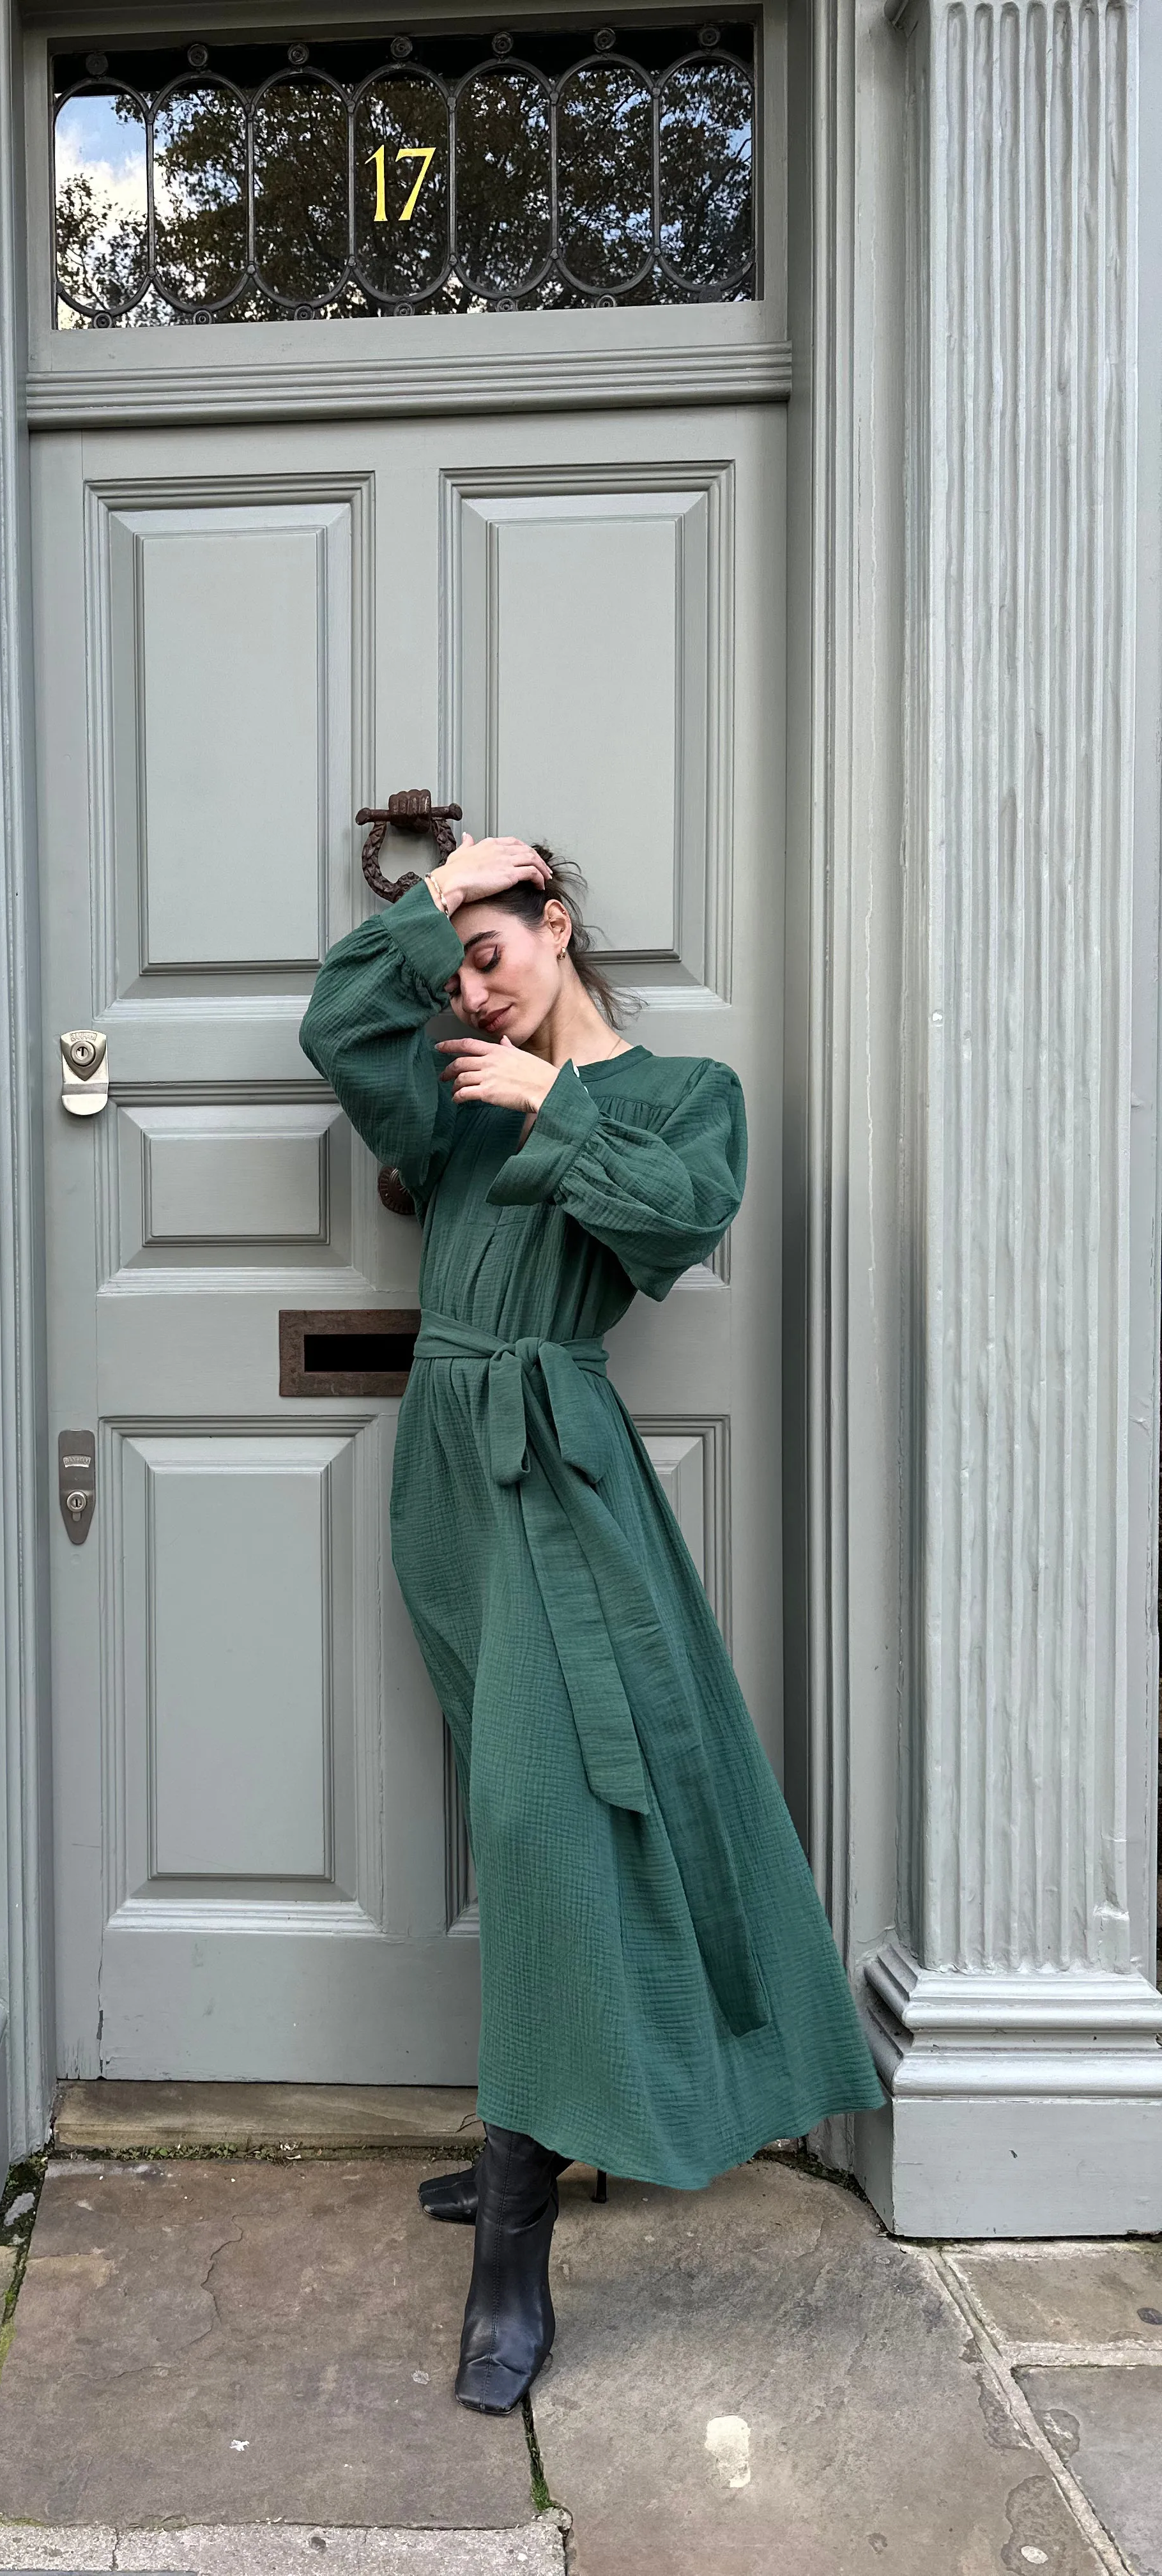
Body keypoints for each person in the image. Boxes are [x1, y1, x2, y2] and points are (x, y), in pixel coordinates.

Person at [298, 832, 883, 2416]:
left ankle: (515, 2241)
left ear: (560, 930)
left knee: (557, 1824)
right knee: (514, 1803)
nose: (466, 989)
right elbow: (338, 1028)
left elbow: (674, 1229)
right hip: (447, 1476)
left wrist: (559, 1107)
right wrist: (429, 906)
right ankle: (548, 2122)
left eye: (495, 952)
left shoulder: (682, 1099)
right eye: (459, 962)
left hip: (558, 1460)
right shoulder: (451, 1084)